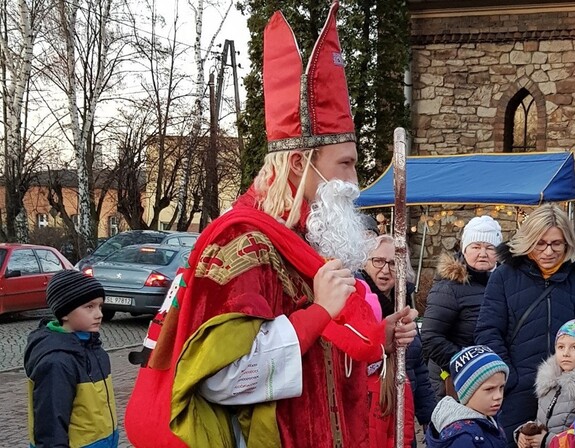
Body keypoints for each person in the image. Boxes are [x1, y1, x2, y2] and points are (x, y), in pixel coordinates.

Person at [124, 4, 418, 447]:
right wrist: (318, 313)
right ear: (300, 163)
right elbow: (222, 378)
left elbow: (322, 358)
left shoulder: (306, 241)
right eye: (345, 164)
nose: (354, 184)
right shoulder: (241, 244)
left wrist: (382, 334)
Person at [475, 203, 575, 446]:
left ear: (568, 243)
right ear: (529, 240)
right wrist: (509, 379)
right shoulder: (505, 276)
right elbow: (488, 331)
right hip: (516, 391)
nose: (549, 251)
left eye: (557, 243)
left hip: (567, 396)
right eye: (540, 243)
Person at [25, 270, 118, 447]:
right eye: (89, 307)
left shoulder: (93, 348)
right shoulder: (57, 361)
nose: (99, 314)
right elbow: (50, 425)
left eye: (100, 306)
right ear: (65, 312)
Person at [360, 234, 436, 447]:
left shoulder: (404, 306)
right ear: (364, 262)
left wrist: (430, 417)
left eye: (393, 263)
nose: (385, 270)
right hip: (371, 415)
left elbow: (418, 366)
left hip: (404, 412)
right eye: (378, 261)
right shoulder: (357, 302)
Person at [422, 215, 503, 398]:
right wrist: (468, 364)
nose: (483, 253)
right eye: (475, 247)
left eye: (490, 248)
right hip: (453, 379)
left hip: (494, 380)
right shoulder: (449, 287)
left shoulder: (506, 284)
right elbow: (431, 337)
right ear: (465, 250)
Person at [516, 320, 575, 448]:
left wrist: (547, 440)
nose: (565, 353)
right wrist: (524, 434)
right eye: (560, 347)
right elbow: (542, 420)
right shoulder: (549, 383)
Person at [425, 345, 509, 448]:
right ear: (467, 391)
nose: (498, 396)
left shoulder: (489, 418)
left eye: (501, 387)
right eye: (489, 389)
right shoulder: (464, 439)